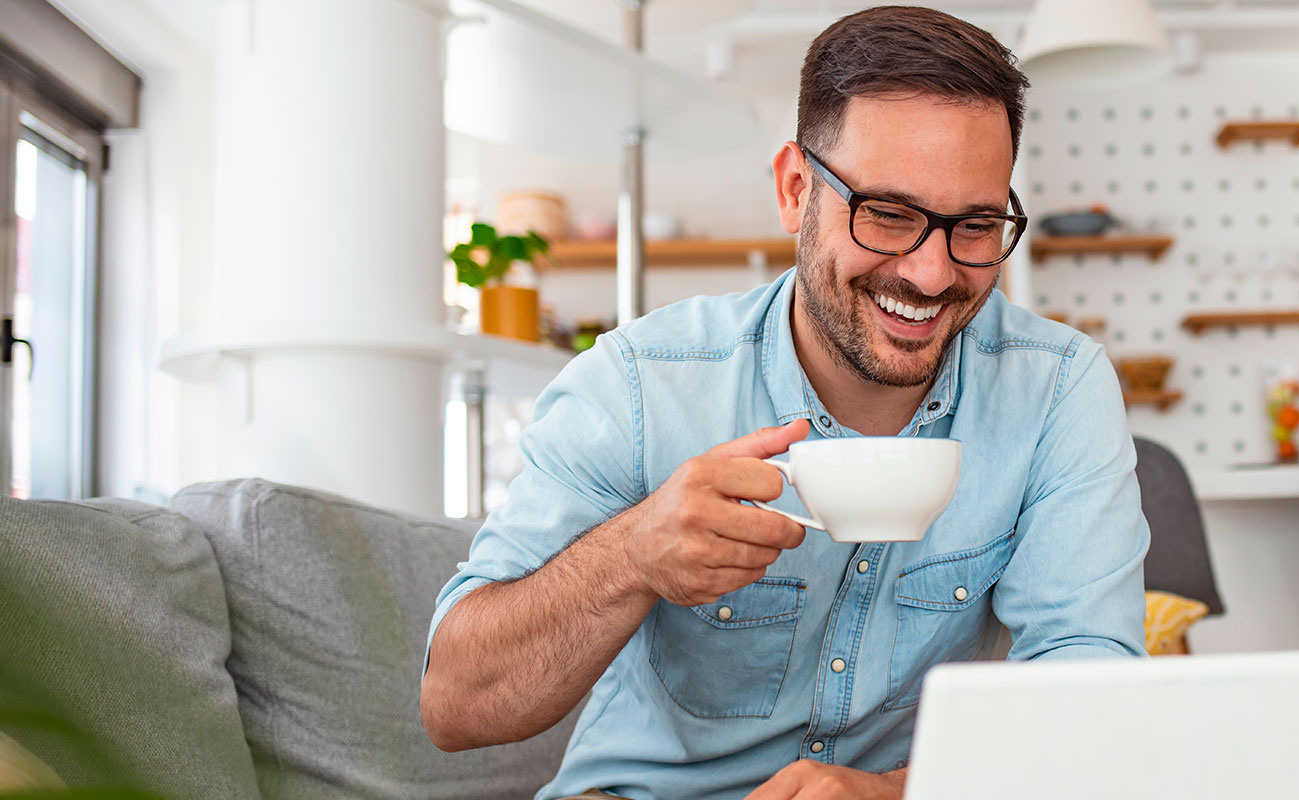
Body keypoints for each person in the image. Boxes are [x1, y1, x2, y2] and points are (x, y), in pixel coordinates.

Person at [419, 6, 1148, 799]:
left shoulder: (1056, 389)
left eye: (973, 226)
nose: (933, 275)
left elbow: (1090, 699)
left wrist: (885, 793)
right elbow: (457, 709)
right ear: (796, 191)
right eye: (890, 215)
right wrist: (633, 555)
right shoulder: (640, 383)